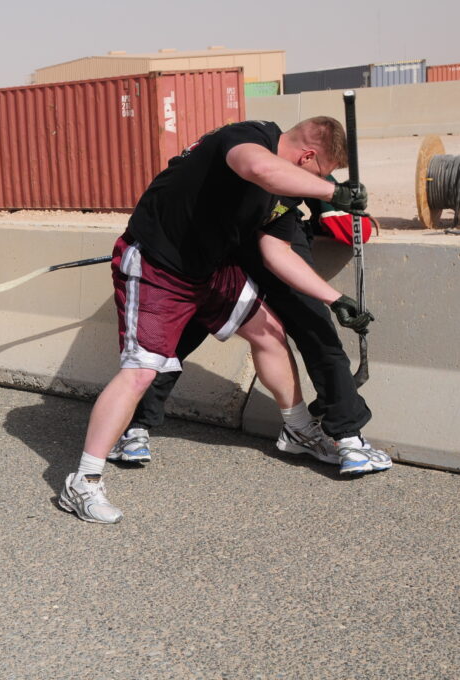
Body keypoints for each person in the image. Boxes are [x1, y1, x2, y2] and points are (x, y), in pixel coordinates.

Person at [58, 117, 375, 524]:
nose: (316, 182)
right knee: (141, 371)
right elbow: (258, 168)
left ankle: (297, 431)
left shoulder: (279, 201)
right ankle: (82, 482)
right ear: (307, 155)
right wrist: (334, 192)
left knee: (269, 333)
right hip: (158, 266)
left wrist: (335, 299)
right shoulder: (248, 138)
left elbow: (278, 254)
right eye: (318, 172)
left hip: (208, 272)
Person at [107, 191, 391, 476]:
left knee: (198, 334)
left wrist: (340, 209)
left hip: (236, 236)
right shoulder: (285, 159)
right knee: (313, 329)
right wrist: (342, 210)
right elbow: (342, 223)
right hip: (241, 238)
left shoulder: (224, 150)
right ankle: (347, 438)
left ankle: (134, 426)